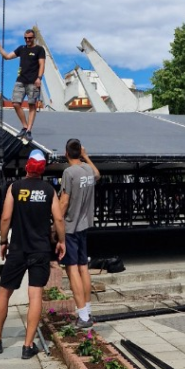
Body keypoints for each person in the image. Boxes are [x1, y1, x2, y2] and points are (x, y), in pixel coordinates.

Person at [0, 149, 65, 359]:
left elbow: (5, 217)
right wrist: (61, 241)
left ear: (27, 165)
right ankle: (27, 346)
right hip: (40, 249)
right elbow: (58, 219)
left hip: (18, 248)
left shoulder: (15, 187)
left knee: (4, 293)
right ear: (42, 169)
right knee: (35, 296)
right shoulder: (49, 190)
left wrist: (3, 241)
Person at [60, 138, 100, 328]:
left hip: (70, 226)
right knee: (83, 267)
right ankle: (88, 310)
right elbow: (98, 174)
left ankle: (82, 315)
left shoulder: (69, 172)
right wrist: (87, 157)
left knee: (72, 268)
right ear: (80, 152)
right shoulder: (88, 170)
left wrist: (55, 225)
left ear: (66, 153)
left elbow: (64, 202)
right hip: (84, 225)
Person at [0, 30, 45, 142]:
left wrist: (39, 78)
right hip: (21, 81)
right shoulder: (21, 48)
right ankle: (25, 127)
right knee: (16, 103)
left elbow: (42, 64)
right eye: (25, 38)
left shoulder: (39, 49)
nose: (27, 40)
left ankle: (29, 130)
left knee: (32, 105)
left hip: (33, 81)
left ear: (34, 38)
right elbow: (7, 57)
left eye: (30, 38)